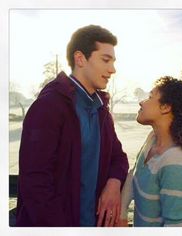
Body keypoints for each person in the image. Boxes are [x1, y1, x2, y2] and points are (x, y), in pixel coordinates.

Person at [16, 25, 129, 227]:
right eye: (105, 60)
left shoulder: (101, 110)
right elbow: (35, 185)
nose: (112, 69)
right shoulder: (48, 107)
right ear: (80, 59)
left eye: (113, 61)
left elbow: (118, 158)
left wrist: (114, 182)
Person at [117, 76, 182, 227]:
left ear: (165, 107)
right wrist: (121, 214)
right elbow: (134, 174)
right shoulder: (152, 139)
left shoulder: (176, 164)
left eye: (150, 97)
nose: (141, 102)